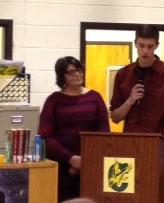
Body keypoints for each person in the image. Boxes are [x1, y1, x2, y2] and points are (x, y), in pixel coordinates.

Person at [38, 56, 110, 202]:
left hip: (92, 166)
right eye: (71, 72)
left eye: (79, 70)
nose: (77, 74)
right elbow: (45, 137)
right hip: (62, 168)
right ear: (62, 77)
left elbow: (104, 132)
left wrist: (85, 161)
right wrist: (71, 159)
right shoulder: (54, 101)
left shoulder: (95, 97)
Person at [110, 24, 164, 141]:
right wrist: (129, 101)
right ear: (135, 44)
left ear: (157, 45)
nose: (145, 51)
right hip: (129, 142)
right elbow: (115, 118)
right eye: (141, 45)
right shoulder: (123, 74)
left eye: (150, 46)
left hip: (158, 141)